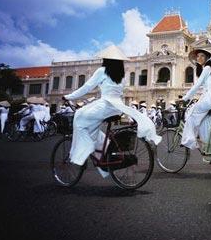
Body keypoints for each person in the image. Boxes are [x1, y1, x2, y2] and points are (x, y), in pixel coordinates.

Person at [63, 45, 161, 173]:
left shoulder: (102, 71)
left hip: (105, 105)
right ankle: (101, 148)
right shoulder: (121, 75)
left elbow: (87, 87)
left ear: (106, 59)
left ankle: (83, 151)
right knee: (92, 125)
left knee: (79, 116)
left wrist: (68, 96)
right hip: (117, 107)